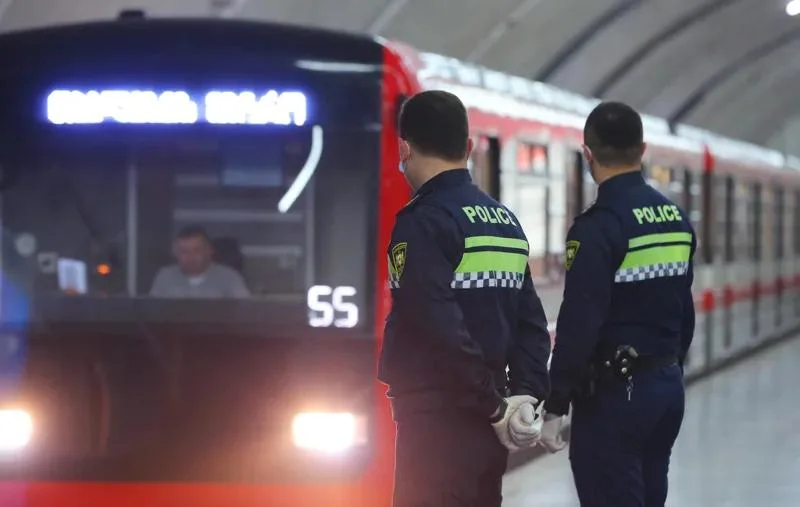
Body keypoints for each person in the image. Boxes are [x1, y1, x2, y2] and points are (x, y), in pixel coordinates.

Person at [377, 90, 552, 507]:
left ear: (404, 149)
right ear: (469, 147)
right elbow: (532, 322)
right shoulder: (504, 222)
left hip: (436, 418)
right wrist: (522, 398)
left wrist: (493, 406)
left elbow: (439, 328)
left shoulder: (423, 222)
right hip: (488, 423)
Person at [539, 102, 696, 507]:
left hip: (615, 399)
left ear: (587, 153)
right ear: (642, 150)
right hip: (665, 388)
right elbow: (685, 311)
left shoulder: (598, 227)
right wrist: (668, 368)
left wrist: (556, 405)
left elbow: (580, 323)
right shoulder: (676, 219)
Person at [150, 225, 251, 299]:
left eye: (196, 250)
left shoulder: (230, 277)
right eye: (184, 251)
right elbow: (152, 314)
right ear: (176, 254)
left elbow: (245, 312)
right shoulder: (164, 276)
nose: (190, 256)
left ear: (210, 251)